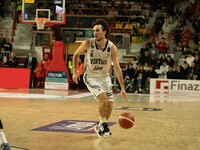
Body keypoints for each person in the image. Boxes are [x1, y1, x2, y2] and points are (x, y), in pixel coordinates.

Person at [72, 19, 128, 138]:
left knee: (110, 105)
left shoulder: (112, 48)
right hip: (90, 76)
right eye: (94, 31)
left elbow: (117, 68)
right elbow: (76, 55)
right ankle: (103, 126)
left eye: (97, 30)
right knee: (104, 100)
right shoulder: (88, 43)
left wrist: (122, 87)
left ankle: (100, 125)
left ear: (104, 32)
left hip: (104, 77)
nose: (95, 33)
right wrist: (75, 72)